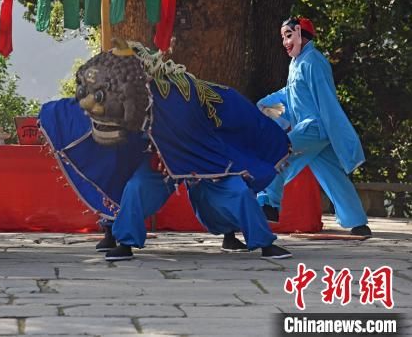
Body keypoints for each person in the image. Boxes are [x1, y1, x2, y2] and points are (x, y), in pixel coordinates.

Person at [39, 41, 293, 262]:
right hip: (156, 162)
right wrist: (51, 114)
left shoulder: (179, 93)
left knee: (234, 190)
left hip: (199, 157)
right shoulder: (121, 95)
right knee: (133, 186)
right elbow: (84, 111)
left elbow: (230, 106)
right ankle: (121, 240)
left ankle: (259, 241)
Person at [256, 17, 371, 237]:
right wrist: (265, 105)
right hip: (314, 130)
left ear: (301, 34)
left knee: (280, 152)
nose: (285, 42)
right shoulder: (297, 63)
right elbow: (291, 95)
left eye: (288, 35)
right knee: (333, 175)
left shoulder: (314, 62)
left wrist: (337, 129)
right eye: (283, 37)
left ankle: (269, 203)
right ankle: (358, 222)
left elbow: (326, 99)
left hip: (314, 127)